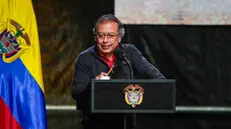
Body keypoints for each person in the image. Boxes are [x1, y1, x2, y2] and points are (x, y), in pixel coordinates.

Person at [71, 14, 166, 129]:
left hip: (127, 122)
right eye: (101, 36)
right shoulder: (84, 58)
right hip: (96, 123)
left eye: (110, 35)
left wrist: (159, 88)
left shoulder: (129, 52)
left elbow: (155, 76)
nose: (105, 41)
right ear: (96, 37)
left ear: (119, 37)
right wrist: (94, 84)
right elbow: (76, 93)